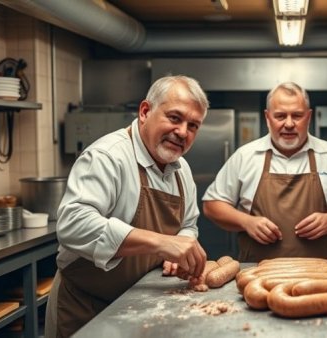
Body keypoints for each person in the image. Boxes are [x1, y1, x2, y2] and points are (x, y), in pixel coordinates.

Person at [45, 75, 209, 338]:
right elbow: (72, 224)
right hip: (87, 308)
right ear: (145, 112)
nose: (182, 132)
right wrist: (160, 242)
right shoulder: (108, 156)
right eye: (174, 118)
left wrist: (180, 243)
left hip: (143, 304)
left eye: (193, 126)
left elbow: (188, 224)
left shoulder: (182, 170)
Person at [202, 81, 327, 262]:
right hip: (256, 273)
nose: (289, 123)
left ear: (308, 117)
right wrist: (247, 222)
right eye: (280, 116)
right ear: (268, 117)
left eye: (297, 115)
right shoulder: (245, 156)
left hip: (321, 274)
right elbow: (212, 205)